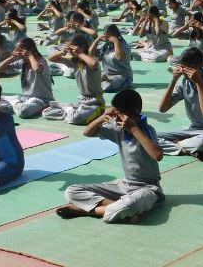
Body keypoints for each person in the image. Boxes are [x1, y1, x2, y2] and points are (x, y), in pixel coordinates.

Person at [57, 89, 164, 223]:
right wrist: (102, 118)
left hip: (148, 188)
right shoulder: (119, 130)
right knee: (72, 191)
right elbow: (87, 132)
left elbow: (157, 155)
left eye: (120, 115)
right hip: (124, 186)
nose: (116, 119)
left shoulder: (146, 130)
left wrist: (134, 129)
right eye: (115, 114)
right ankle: (119, 209)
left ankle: (87, 210)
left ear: (135, 113)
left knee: (131, 204)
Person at [157, 47, 203, 161]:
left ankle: (177, 144)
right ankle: (185, 148)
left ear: (199, 66)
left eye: (187, 68)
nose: (183, 71)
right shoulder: (184, 82)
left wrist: (199, 82)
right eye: (182, 67)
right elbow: (162, 108)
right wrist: (173, 80)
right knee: (150, 136)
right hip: (193, 128)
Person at [42, 35, 106, 125]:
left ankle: (68, 109)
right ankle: (70, 110)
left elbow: (94, 64)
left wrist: (79, 53)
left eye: (72, 49)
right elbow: (51, 58)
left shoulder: (91, 60)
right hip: (81, 101)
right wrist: (62, 52)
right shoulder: (75, 62)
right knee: (47, 113)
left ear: (82, 47)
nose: (70, 51)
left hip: (95, 103)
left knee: (76, 119)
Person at [0, 38, 54, 119]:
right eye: (16, 49)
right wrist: (12, 57)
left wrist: (30, 55)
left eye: (20, 50)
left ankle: (13, 100)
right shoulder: (22, 62)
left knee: (23, 111)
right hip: (26, 98)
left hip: (42, 100)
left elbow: (37, 69)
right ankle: (15, 102)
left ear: (30, 49)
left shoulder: (41, 60)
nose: (18, 52)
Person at [90, 24, 133, 93]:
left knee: (106, 87)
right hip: (107, 74)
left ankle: (106, 81)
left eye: (109, 36)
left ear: (115, 35)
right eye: (105, 35)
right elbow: (90, 54)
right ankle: (104, 80)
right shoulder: (106, 45)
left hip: (122, 75)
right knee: (88, 80)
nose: (106, 38)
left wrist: (116, 41)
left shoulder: (124, 45)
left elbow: (119, 58)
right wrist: (96, 41)